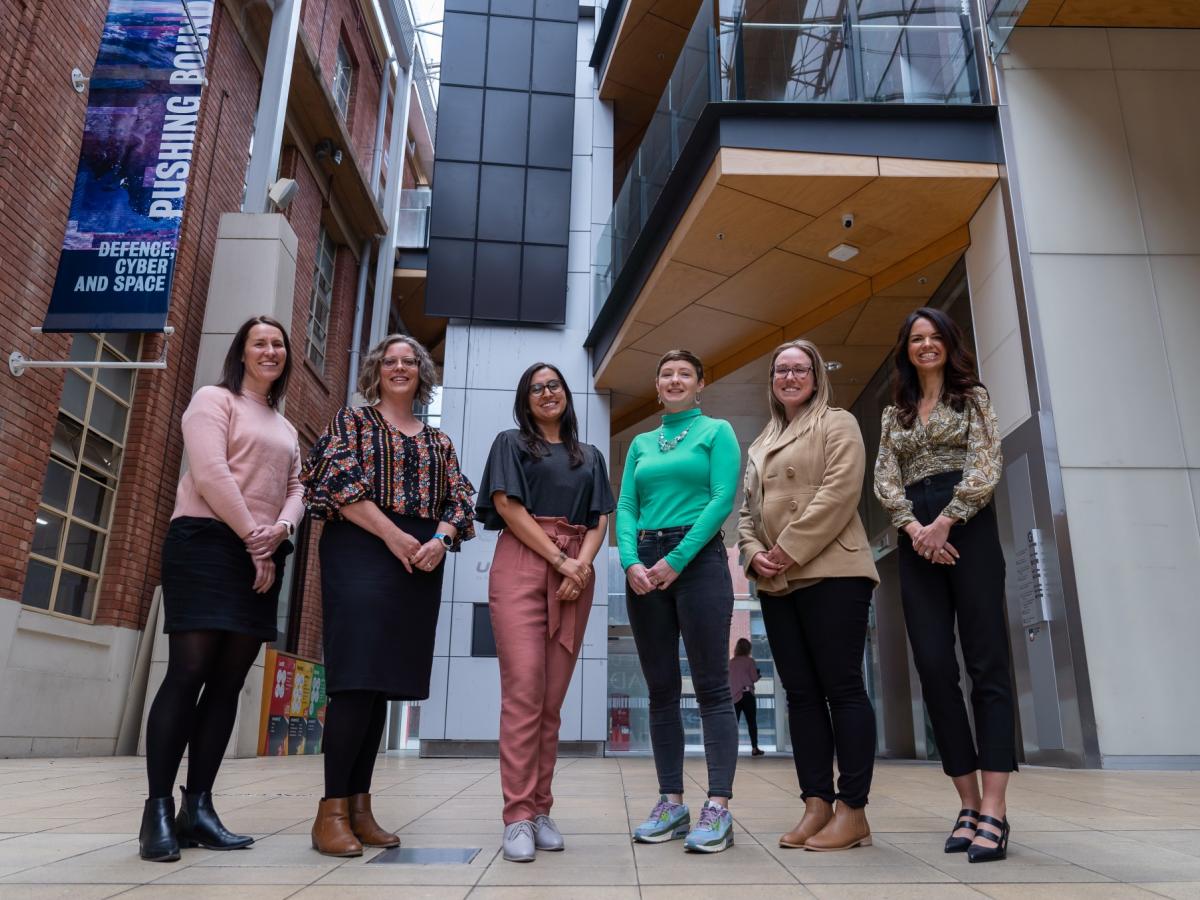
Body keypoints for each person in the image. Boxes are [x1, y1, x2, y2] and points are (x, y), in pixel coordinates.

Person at [302, 334, 475, 858]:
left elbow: (461, 498)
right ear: (376, 372)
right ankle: (329, 810)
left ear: (422, 373)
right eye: (390, 361)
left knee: (379, 686)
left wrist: (441, 541)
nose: (400, 368)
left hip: (419, 560)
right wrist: (394, 536)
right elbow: (332, 482)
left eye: (409, 361)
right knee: (355, 680)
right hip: (361, 547)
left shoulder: (438, 442)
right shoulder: (350, 423)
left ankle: (359, 806)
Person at [140, 316, 303, 862]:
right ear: (242, 351)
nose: (271, 351)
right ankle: (158, 811)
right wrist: (257, 540)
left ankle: (199, 809)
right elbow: (210, 473)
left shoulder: (285, 425)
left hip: (258, 553)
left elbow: (298, 487)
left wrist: (281, 531)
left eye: (278, 344)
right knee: (187, 675)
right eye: (260, 342)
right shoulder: (213, 399)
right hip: (205, 543)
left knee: (229, 684)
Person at [873, 306, 1015, 864]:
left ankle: (996, 809)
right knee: (933, 666)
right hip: (916, 536)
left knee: (987, 663)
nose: (925, 345)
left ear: (948, 343)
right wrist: (914, 528)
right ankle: (967, 800)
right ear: (906, 349)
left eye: (934, 337)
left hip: (968, 526)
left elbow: (987, 464)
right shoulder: (894, 413)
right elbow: (884, 477)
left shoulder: (973, 397)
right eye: (916, 339)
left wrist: (946, 521)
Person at [737, 339, 881, 852]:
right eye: (781, 370)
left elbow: (841, 491)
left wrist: (790, 549)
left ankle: (853, 809)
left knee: (841, 688)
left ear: (816, 377)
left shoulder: (837, 422)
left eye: (800, 369)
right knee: (800, 695)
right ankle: (815, 804)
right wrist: (754, 556)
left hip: (834, 570)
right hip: (778, 581)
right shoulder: (761, 440)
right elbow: (747, 516)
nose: (790, 376)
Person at [476, 363, 616, 862]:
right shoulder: (510, 443)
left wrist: (580, 566)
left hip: (575, 571)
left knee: (551, 701)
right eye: (536, 388)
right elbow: (507, 507)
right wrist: (559, 559)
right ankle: (515, 816)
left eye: (553, 385)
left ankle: (539, 809)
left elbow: (601, 519)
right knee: (524, 694)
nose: (546, 393)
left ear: (566, 395)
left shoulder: (591, 456)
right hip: (523, 561)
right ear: (525, 400)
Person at [617, 349, 741, 854]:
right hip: (644, 561)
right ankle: (671, 801)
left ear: (699, 384)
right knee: (661, 689)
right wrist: (630, 562)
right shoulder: (642, 443)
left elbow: (721, 498)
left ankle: (718, 808)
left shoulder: (717, 432)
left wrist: (679, 559)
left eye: (683, 374)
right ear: (657, 384)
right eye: (666, 374)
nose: (673, 380)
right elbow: (626, 504)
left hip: (699, 559)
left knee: (712, 686)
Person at [728, 639, 764, 757]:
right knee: (751, 722)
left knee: (734, 724)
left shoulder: (731, 662)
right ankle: (754, 748)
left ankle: (731, 749)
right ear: (748, 649)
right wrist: (758, 675)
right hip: (747, 695)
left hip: (734, 696)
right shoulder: (750, 661)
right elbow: (753, 678)